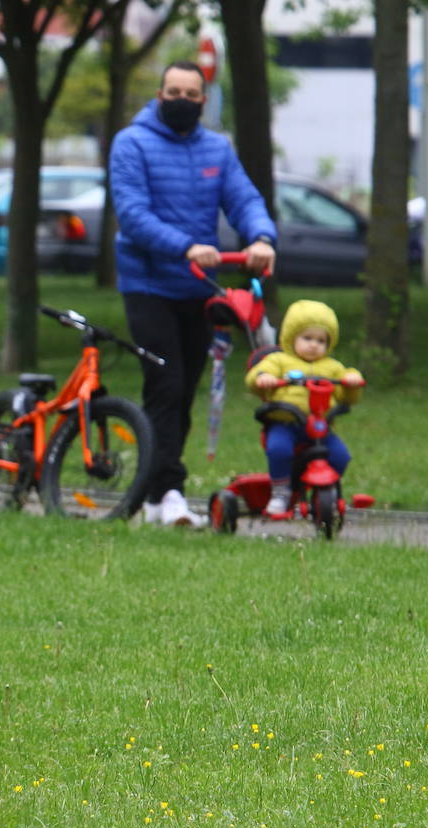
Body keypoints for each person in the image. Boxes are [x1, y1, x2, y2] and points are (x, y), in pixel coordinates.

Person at [109, 61, 278, 526]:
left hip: (198, 288)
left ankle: (153, 494)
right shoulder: (132, 143)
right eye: (173, 91)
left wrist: (261, 237)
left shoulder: (216, 150)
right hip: (148, 285)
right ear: (159, 94)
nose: (182, 99)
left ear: (203, 100)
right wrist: (184, 245)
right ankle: (170, 491)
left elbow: (244, 199)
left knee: (183, 391)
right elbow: (133, 213)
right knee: (164, 385)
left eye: (191, 93)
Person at [245, 299, 363, 516]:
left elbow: (347, 395)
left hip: (319, 426)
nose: (313, 345)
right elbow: (258, 374)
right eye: (307, 338)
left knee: (340, 455)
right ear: (292, 337)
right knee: (278, 449)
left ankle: (326, 490)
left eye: (321, 340)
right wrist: (264, 378)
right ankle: (281, 492)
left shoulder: (332, 367)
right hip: (285, 423)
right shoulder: (279, 360)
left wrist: (352, 381)